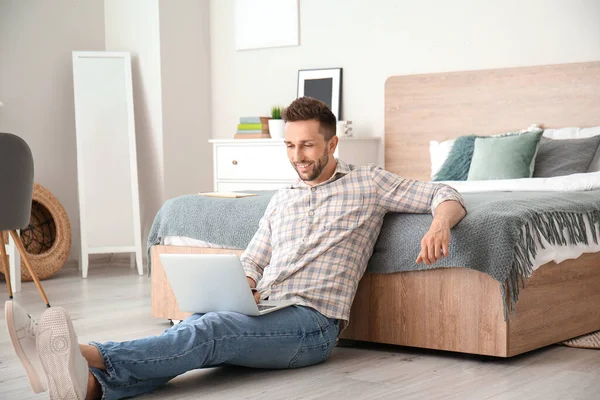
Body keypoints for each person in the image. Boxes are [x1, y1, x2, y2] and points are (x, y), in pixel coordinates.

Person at [6, 96, 466, 400]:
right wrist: (242, 281)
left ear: (332, 142)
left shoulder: (368, 182)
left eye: (307, 145)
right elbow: (255, 256)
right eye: (290, 146)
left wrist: (438, 226)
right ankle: (86, 387)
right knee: (198, 325)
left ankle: (81, 351)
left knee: (213, 332)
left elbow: (442, 193)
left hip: (312, 325)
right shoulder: (282, 198)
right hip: (264, 307)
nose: (298, 156)